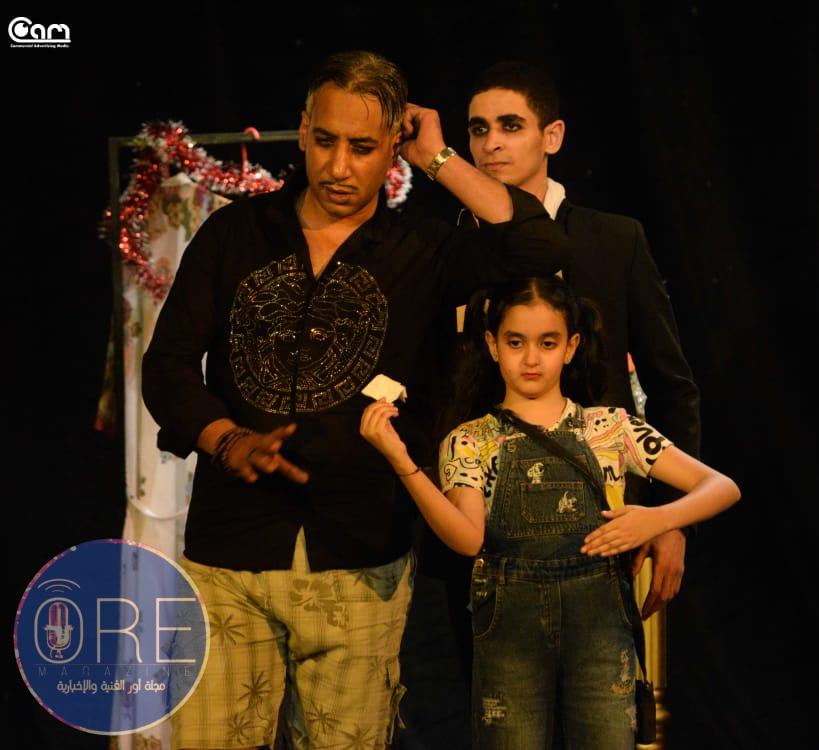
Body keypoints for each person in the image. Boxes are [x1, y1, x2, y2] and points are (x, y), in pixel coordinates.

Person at [142, 50, 569, 750]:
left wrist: (437, 158)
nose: (339, 167)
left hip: (360, 558)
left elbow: (536, 243)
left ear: (394, 145)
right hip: (229, 554)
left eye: (364, 147)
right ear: (303, 129)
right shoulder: (235, 234)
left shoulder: (423, 249)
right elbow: (167, 367)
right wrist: (225, 438)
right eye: (325, 141)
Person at [360, 275, 739, 748]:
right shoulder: (471, 440)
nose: (531, 358)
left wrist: (657, 519)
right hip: (510, 635)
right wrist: (401, 462)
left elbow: (722, 487)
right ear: (492, 345)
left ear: (571, 346)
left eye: (548, 342)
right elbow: (467, 539)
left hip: (600, 634)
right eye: (515, 342)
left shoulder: (610, 428)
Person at [464, 62, 700, 615]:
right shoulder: (447, 245)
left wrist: (672, 518)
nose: (492, 143)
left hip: (606, 519)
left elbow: (670, 384)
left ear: (552, 136)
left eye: (510, 126)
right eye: (478, 129)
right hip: (480, 525)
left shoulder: (613, 240)